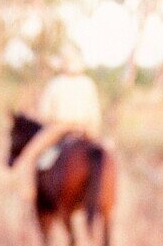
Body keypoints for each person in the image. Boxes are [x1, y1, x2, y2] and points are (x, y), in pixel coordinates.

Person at [12, 45, 102, 187]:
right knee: (104, 151)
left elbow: (45, 113)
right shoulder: (88, 84)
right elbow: (95, 114)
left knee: (29, 155)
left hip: (59, 127)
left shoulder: (56, 83)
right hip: (86, 129)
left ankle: (29, 194)